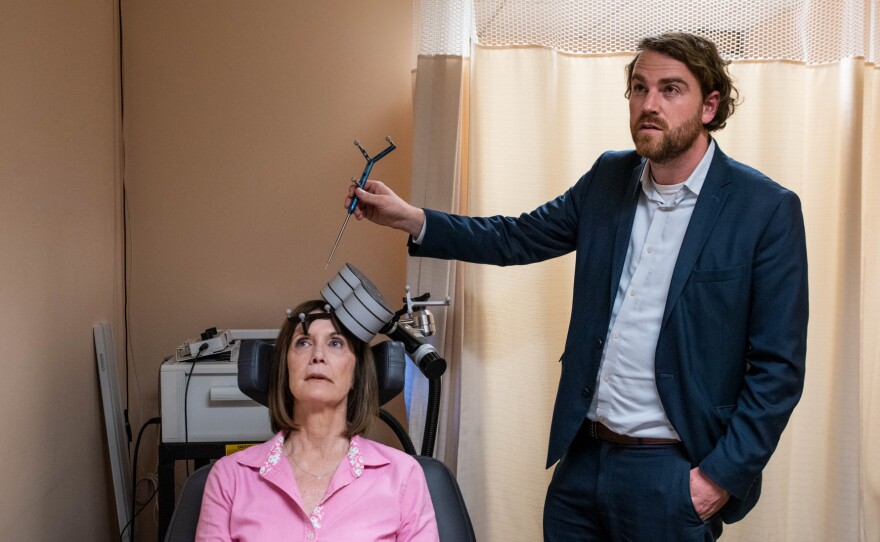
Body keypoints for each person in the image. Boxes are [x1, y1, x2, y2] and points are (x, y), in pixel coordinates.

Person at [345, 32, 808, 541]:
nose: (649, 104)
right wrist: (410, 218)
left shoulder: (764, 209)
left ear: (709, 105)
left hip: (672, 475)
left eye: (671, 90)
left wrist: (716, 479)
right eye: (639, 88)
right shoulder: (609, 177)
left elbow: (778, 370)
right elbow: (515, 237)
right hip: (582, 467)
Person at [196, 300, 440, 541]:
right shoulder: (229, 477)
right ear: (285, 368)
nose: (318, 355)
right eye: (303, 342)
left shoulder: (403, 476)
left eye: (335, 343)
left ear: (356, 373)